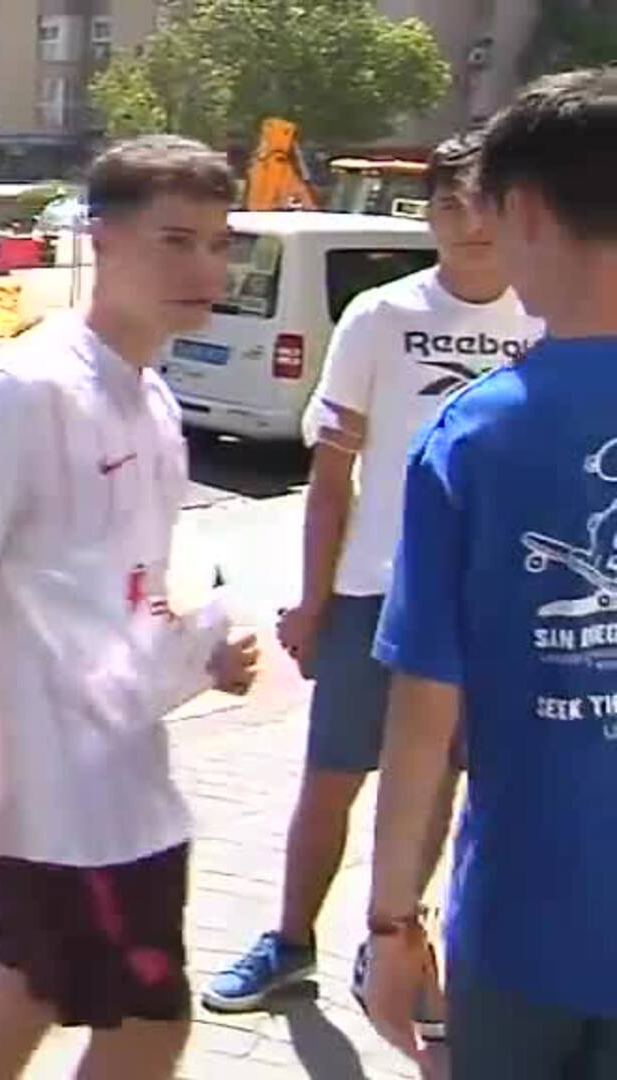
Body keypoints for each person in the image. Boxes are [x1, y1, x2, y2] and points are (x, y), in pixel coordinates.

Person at [0, 134, 260, 1080]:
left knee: (30, 995)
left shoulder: (154, 401)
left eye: (219, 243)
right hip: (61, 802)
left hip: (128, 781)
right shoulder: (25, 391)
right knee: (142, 1020)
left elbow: (114, 601)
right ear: (104, 241)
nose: (204, 269)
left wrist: (198, 656)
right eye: (176, 241)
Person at [201, 130, 542, 1018]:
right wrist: (313, 601)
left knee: (439, 785)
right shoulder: (381, 316)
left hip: (491, 604)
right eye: (449, 205)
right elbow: (331, 475)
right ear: (427, 215)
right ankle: (288, 943)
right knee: (332, 775)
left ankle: (394, 944)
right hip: (373, 592)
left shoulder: (545, 314)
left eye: (483, 203)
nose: (469, 224)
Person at [365, 67, 617, 1078]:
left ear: (525, 212)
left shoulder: (475, 436)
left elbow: (425, 714)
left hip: (524, 930)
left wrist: (391, 924)